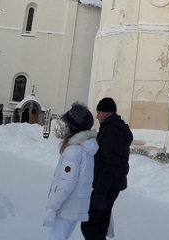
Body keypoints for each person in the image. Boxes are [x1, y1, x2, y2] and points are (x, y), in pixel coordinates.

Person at [80, 98, 133, 240]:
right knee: (99, 226)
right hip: (109, 187)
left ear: (107, 113)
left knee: (89, 225)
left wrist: (100, 192)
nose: (97, 116)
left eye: (99, 112)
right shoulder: (111, 129)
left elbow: (113, 164)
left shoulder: (112, 132)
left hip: (107, 188)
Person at [44, 103, 98, 240]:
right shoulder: (86, 148)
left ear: (73, 126)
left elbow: (66, 184)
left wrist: (51, 208)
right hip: (74, 208)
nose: (66, 127)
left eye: (68, 123)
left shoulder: (74, 150)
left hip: (66, 208)